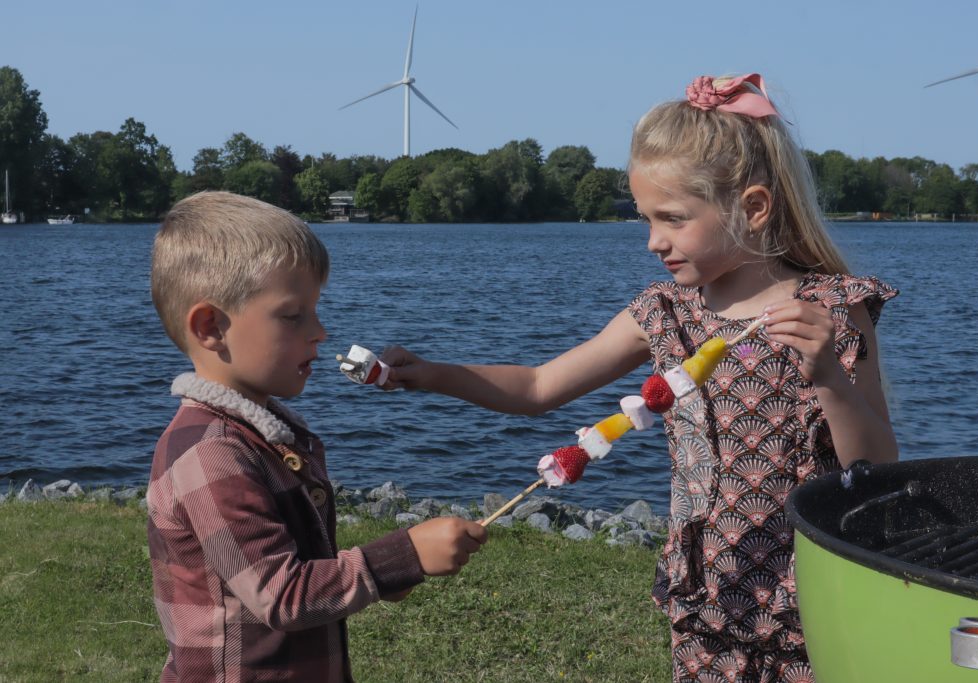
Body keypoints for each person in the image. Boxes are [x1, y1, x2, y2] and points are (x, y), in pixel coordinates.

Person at [378, 74, 898, 682]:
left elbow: (877, 467)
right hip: (709, 592)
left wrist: (830, 378)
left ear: (753, 208)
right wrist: (433, 374)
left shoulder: (832, 309)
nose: (654, 241)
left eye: (673, 219)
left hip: (815, 591)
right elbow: (540, 387)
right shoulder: (664, 313)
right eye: (646, 219)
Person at [147, 191, 486, 682]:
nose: (320, 332)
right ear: (210, 327)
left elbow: (296, 566)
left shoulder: (264, 432)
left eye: (315, 311)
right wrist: (400, 556)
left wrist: (389, 576)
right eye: (293, 315)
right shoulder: (212, 454)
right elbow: (282, 595)